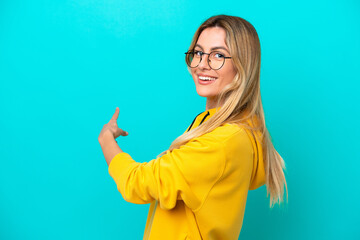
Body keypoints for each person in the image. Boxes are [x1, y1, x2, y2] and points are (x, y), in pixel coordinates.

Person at [98, 14, 288, 240]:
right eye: (198, 53)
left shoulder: (222, 142)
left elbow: (137, 183)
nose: (202, 65)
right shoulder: (221, 126)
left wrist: (106, 139)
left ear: (242, 65)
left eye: (218, 55)